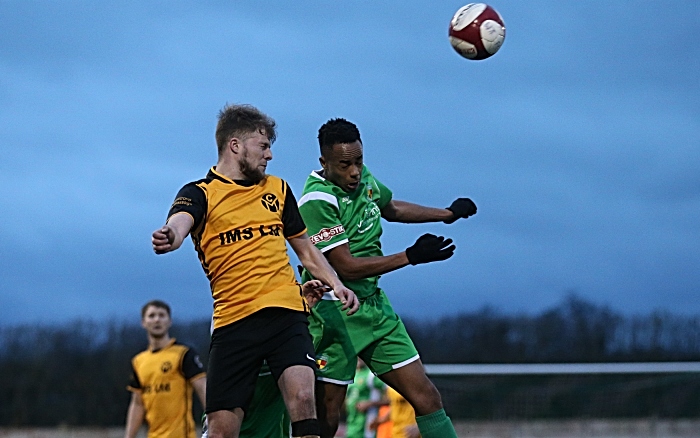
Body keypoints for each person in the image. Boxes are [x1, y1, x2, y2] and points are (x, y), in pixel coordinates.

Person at [151, 104, 359, 438]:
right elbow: (180, 222)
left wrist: (336, 283)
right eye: (263, 146)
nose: (270, 155)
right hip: (234, 324)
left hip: (286, 315)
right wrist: (170, 235)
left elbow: (306, 249)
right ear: (235, 146)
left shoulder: (278, 189)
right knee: (222, 430)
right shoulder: (200, 193)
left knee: (305, 399)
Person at [299, 118, 477, 438]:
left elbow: (391, 207)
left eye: (359, 161)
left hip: (374, 308)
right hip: (333, 314)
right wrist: (410, 256)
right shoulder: (317, 201)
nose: (355, 171)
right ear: (324, 163)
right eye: (345, 164)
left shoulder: (362, 179)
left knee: (427, 398)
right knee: (326, 420)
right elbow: (347, 268)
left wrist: (446, 214)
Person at [124, 300, 207, 438]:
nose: (157, 320)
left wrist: (214, 421)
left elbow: (203, 388)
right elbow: (137, 404)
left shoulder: (183, 354)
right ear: (143, 322)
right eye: (152, 316)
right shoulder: (139, 361)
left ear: (169, 321)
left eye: (162, 315)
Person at [344, 358, 386, 438]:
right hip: (351, 424)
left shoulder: (371, 375)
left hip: (366, 425)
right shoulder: (350, 374)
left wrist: (371, 403)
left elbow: (391, 398)